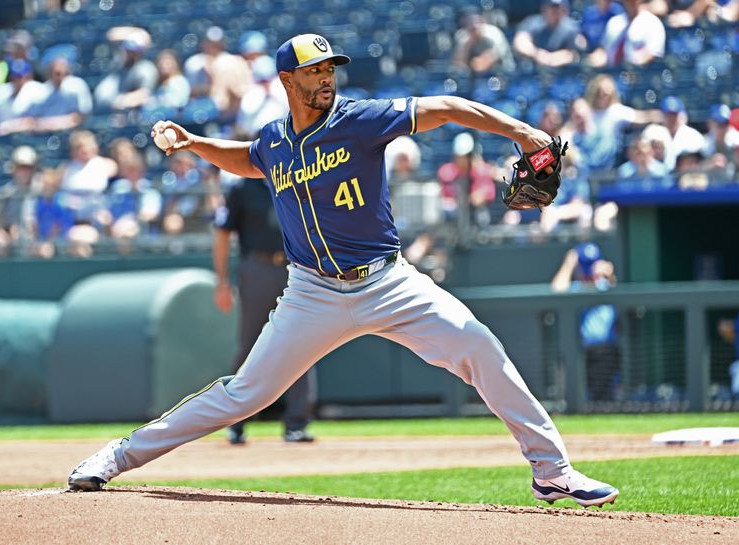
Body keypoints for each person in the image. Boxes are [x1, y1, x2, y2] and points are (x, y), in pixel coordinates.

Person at [68, 33, 619, 508]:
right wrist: (194, 144)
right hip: (311, 293)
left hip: (389, 282)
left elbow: (449, 107)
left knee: (480, 348)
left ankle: (552, 471)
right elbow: (246, 159)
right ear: (288, 79)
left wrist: (523, 134)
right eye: (314, 71)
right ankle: (120, 455)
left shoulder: (361, 121)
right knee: (244, 395)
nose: (326, 78)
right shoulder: (274, 141)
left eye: (330, 68)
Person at [213, 174, 318, 445]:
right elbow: (223, 232)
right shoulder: (242, 187)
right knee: (250, 346)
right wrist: (222, 281)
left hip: (297, 268)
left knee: (302, 343)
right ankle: (234, 422)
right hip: (256, 268)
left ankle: (297, 423)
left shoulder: (298, 178)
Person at [551, 242, 620, 403]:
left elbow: (614, 288)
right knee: (577, 398)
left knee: (602, 399)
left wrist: (609, 274)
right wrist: (569, 264)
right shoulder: (576, 287)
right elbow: (556, 290)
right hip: (579, 352)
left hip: (605, 351)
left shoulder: (605, 284)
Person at [588, 0, 666, 68]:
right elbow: (604, 51)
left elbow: (652, 54)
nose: (630, 2)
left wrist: (631, 64)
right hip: (613, 74)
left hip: (638, 75)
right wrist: (596, 59)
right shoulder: (615, 22)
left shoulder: (652, 22)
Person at [512, 0, 586, 69]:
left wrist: (553, 58)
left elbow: (577, 50)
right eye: (552, 7)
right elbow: (520, 42)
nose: (555, 11)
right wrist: (537, 54)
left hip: (563, 71)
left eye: (558, 7)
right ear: (544, 9)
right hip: (535, 70)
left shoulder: (570, 27)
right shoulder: (533, 23)